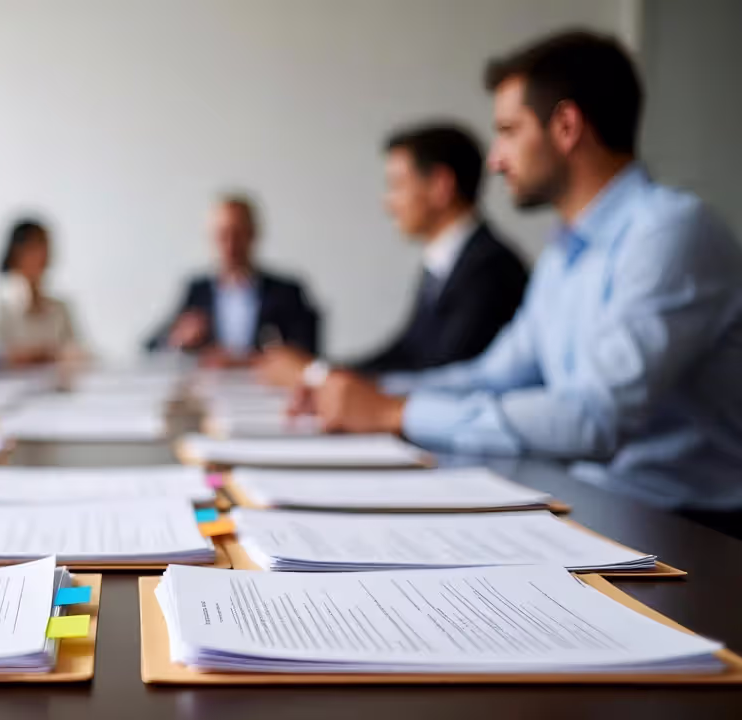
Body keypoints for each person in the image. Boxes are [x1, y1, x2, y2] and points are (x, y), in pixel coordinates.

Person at [289, 31, 742, 530]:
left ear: (566, 127)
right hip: (593, 502)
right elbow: (494, 375)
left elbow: (594, 419)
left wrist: (396, 412)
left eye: (508, 130)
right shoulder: (563, 251)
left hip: (691, 529)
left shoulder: (671, 233)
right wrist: (368, 391)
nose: (495, 159)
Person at [258, 124, 527, 386]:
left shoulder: (490, 269)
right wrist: (321, 370)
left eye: (397, 185)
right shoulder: (446, 262)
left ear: (440, 186)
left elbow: (440, 372)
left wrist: (317, 376)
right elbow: (405, 353)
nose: (388, 203)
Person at [146, 194, 320, 366]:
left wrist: (244, 361)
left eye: (238, 234)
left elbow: (308, 352)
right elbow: (149, 347)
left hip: (269, 391)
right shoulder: (197, 291)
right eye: (223, 235)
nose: (230, 245)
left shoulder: (286, 292)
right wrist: (177, 339)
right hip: (208, 390)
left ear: (253, 235)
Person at [0, 218, 83, 363]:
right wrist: (40, 354)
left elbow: (78, 351)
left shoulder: (59, 308)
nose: (44, 253)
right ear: (15, 251)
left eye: (46, 245)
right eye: (35, 246)